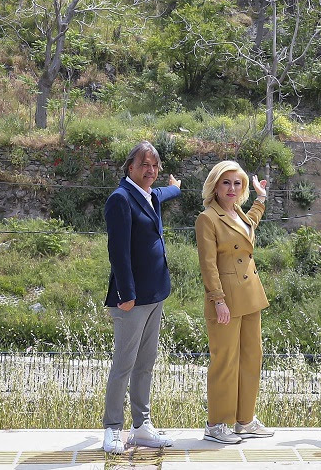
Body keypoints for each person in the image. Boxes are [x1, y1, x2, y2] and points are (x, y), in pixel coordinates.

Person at [102, 141, 181, 454]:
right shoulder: (120, 199)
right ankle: (112, 428)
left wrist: (175, 187)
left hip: (155, 294)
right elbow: (118, 252)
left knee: (146, 363)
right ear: (130, 167)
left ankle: (141, 426)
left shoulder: (149, 195)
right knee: (124, 364)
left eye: (155, 165)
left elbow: (163, 193)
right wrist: (127, 293)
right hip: (131, 299)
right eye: (144, 164)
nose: (150, 170)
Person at [195, 160, 274, 444]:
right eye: (226, 183)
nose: (232, 188)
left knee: (252, 358)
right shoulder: (207, 218)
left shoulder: (238, 212)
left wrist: (261, 199)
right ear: (215, 186)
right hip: (226, 299)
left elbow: (250, 224)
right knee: (225, 361)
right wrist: (218, 300)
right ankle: (216, 424)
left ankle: (244, 420)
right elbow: (208, 265)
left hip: (250, 294)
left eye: (237, 183)